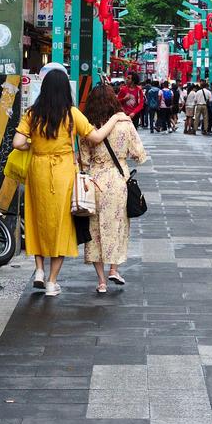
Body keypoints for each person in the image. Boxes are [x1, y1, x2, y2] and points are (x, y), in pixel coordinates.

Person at [12, 69, 129, 296]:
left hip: (38, 170)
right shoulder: (72, 113)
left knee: (37, 219)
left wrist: (34, 146)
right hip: (63, 172)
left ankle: (38, 270)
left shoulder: (32, 113)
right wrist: (115, 118)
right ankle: (52, 282)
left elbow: (17, 142)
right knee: (61, 225)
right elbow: (95, 137)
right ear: (66, 89)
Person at [80, 83, 148, 293]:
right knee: (117, 226)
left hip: (95, 182)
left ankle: (101, 282)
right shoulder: (125, 124)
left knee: (95, 230)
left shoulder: (88, 127)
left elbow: (83, 161)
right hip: (118, 181)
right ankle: (114, 269)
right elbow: (139, 155)